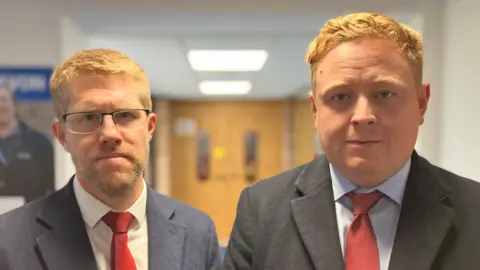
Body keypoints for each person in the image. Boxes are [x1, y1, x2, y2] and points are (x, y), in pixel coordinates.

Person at [223, 12, 480, 270]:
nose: (363, 116)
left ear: (421, 103)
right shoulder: (260, 210)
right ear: (315, 110)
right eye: (341, 96)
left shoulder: (475, 211)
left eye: (384, 93)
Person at [0, 48, 222, 270]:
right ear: (62, 136)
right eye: (88, 117)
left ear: (149, 127)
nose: (110, 134)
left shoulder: (198, 232)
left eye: (126, 115)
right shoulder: (9, 241)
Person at [0, 84, 54, 203]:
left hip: (30, 216)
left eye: (4, 100)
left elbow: (53, 185)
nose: (1, 105)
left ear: (14, 105)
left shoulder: (39, 143)